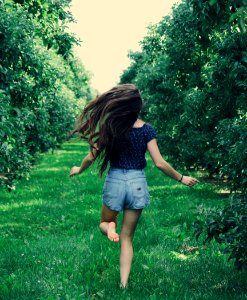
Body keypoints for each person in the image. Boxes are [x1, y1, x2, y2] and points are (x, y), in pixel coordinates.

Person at [69, 84, 199, 288]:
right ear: (137, 107)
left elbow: (91, 157)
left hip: (115, 182)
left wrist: (78, 169)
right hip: (137, 183)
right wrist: (182, 178)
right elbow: (159, 163)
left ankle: (109, 227)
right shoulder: (147, 130)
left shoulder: (111, 126)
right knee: (127, 237)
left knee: (104, 222)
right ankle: (123, 284)